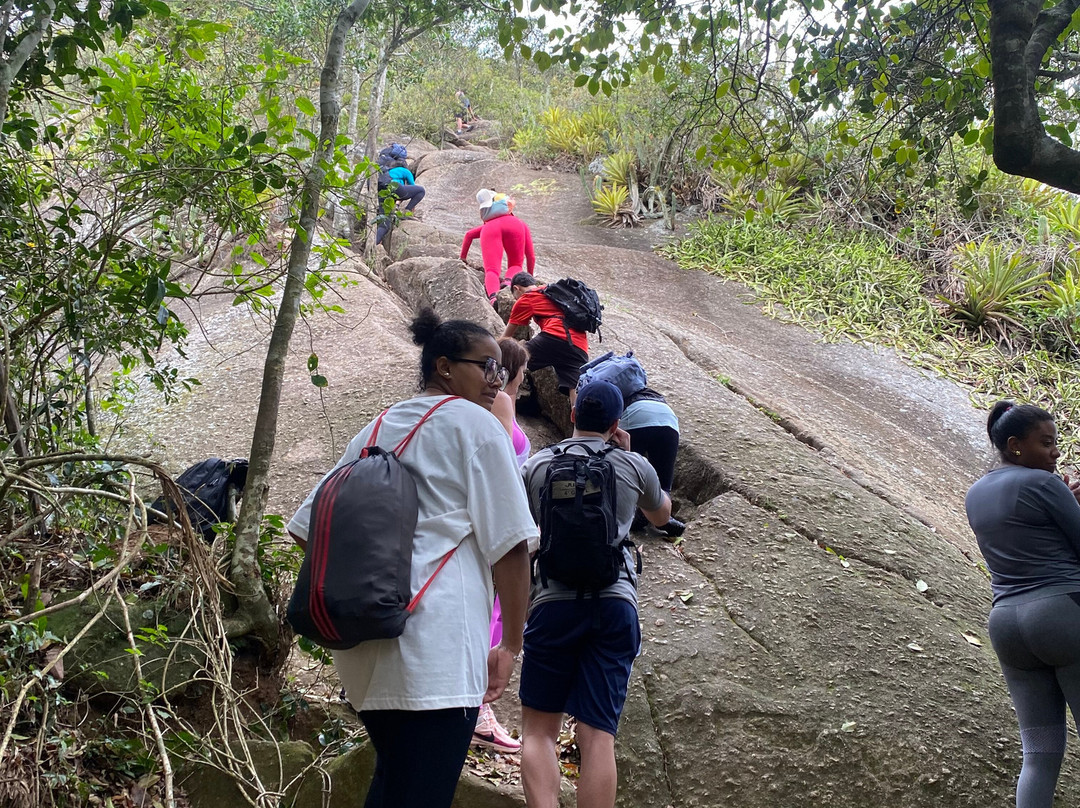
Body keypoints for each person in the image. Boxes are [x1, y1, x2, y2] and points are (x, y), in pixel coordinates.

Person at [287, 309, 536, 808]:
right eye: (486, 366)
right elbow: (510, 547)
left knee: (397, 784)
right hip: (437, 652)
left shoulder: (380, 424)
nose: (497, 381)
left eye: (501, 370)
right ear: (444, 367)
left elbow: (307, 526)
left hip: (364, 648)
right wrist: (509, 645)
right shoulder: (476, 426)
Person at [518, 380, 672, 808]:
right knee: (597, 735)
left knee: (537, 731)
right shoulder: (632, 464)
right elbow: (661, 515)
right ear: (615, 423)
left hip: (551, 602)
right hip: (614, 602)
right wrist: (625, 451)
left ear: (572, 416)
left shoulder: (537, 465)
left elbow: (519, 526)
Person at [965, 400, 1080, 808]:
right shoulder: (1044, 485)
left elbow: (1027, 539)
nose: (1055, 452)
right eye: (1046, 443)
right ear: (1015, 446)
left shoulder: (975, 492)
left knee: (1039, 754)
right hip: (1062, 617)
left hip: (1008, 626)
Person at [472, 338, 532, 753]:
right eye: (523, 372)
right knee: (496, 612)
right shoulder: (503, 404)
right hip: (499, 523)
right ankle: (478, 707)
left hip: (488, 519)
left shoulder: (483, 406)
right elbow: (503, 467)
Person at [501, 271, 588, 403]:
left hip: (554, 336)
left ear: (516, 289)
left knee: (513, 360)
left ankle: (505, 411)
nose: (516, 301)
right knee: (575, 387)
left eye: (515, 297)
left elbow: (506, 337)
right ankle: (578, 421)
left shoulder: (527, 298)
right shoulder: (551, 292)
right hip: (579, 346)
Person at [619, 383, 686, 538]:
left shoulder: (602, 389)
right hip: (668, 420)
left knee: (629, 473)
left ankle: (636, 514)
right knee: (663, 484)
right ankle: (663, 517)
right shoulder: (642, 387)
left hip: (633, 418)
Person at [461, 189, 536, 302]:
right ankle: (508, 281)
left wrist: (463, 257)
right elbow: (531, 256)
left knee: (491, 270)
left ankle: (493, 298)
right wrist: (530, 277)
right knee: (516, 263)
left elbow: (468, 235)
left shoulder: (489, 224)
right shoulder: (520, 223)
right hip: (514, 227)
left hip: (490, 230)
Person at [375, 143, 425, 246]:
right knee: (421, 190)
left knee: (385, 224)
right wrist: (411, 207)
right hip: (394, 188)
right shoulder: (404, 171)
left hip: (382, 190)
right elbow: (413, 188)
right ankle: (406, 211)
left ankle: (374, 244)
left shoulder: (386, 171)